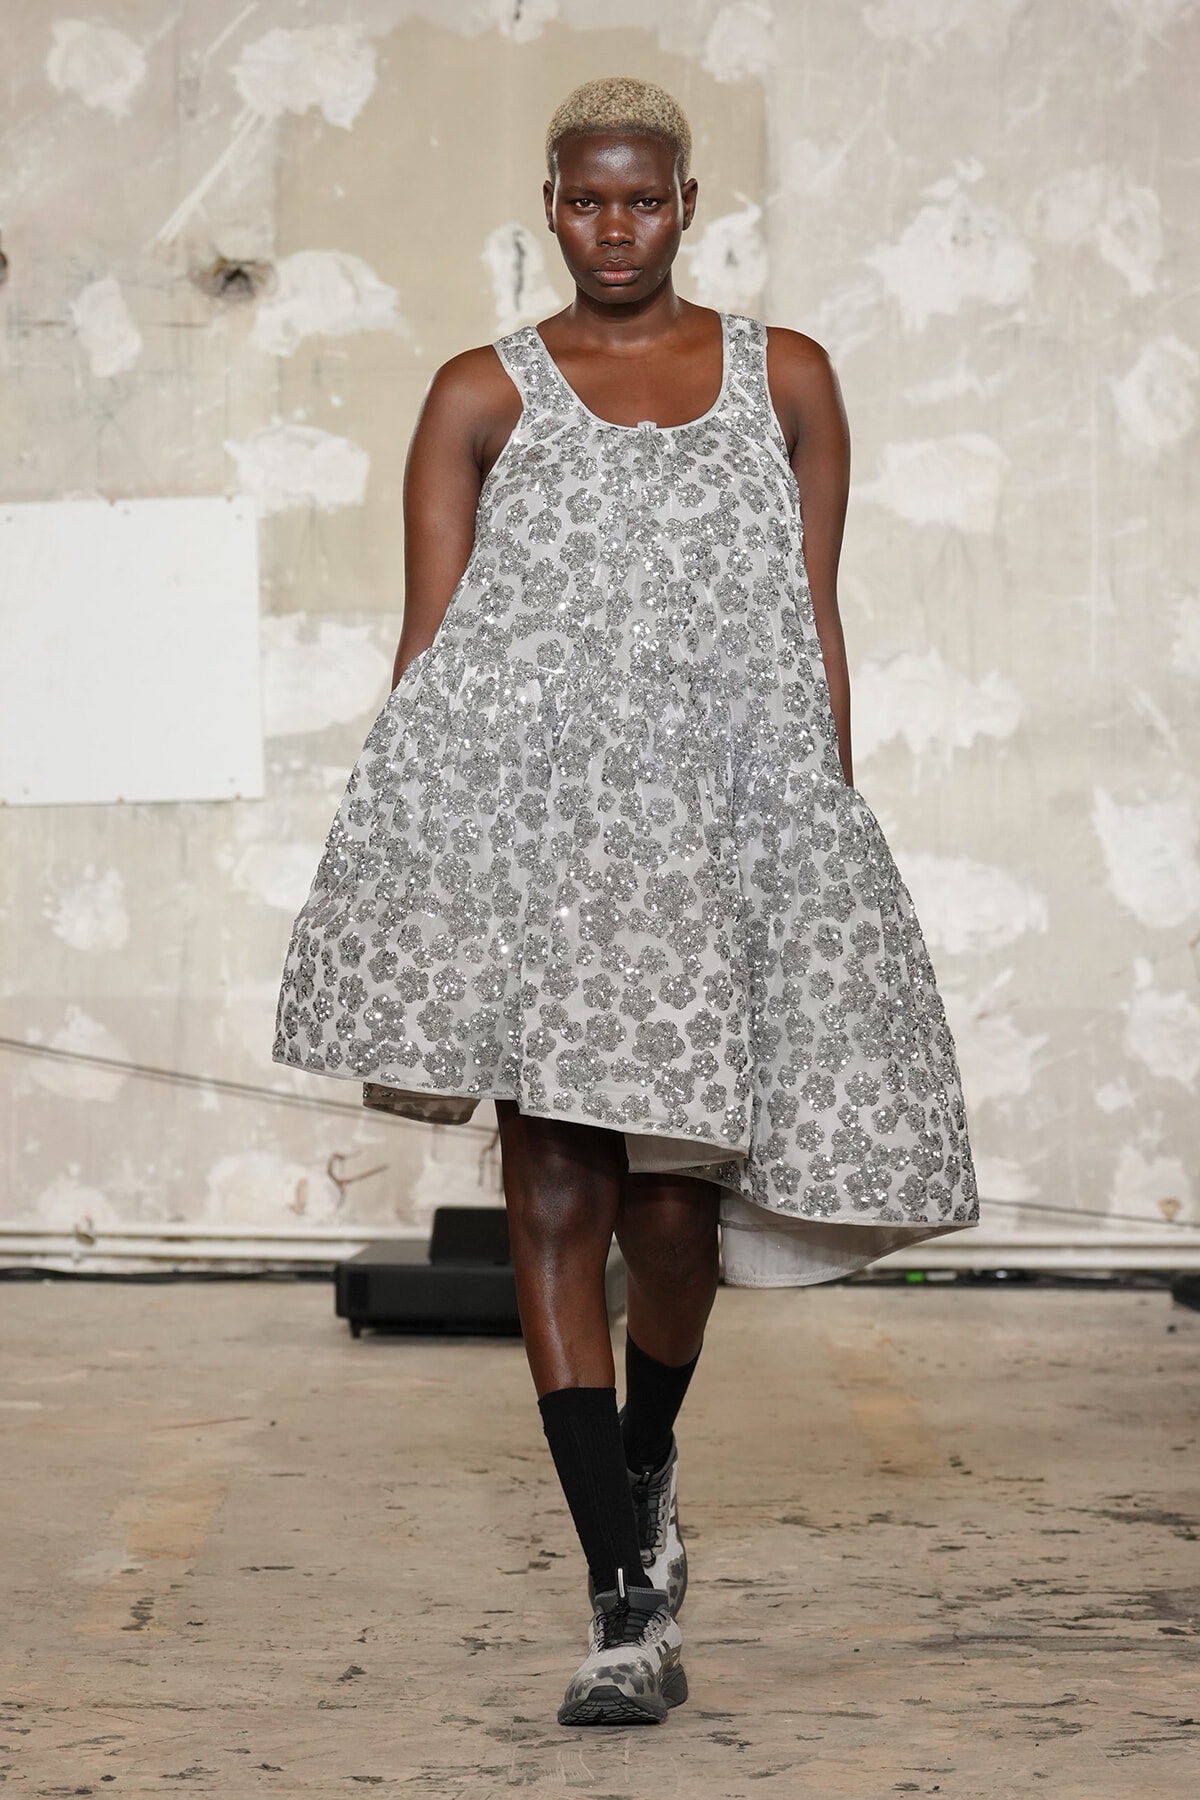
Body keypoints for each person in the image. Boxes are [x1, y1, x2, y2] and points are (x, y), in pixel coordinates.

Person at [273, 76, 979, 1728]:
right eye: (585, 204)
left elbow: (812, 622)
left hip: (719, 850)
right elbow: (427, 654)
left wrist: (823, 829)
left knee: (674, 1226)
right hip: (538, 851)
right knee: (552, 1202)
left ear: (685, 202)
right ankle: (618, 1603)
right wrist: (415, 876)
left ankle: (646, 1465)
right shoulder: (479, 396)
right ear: (549, 203)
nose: (613, 230)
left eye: (642, 203)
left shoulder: (784, 380)